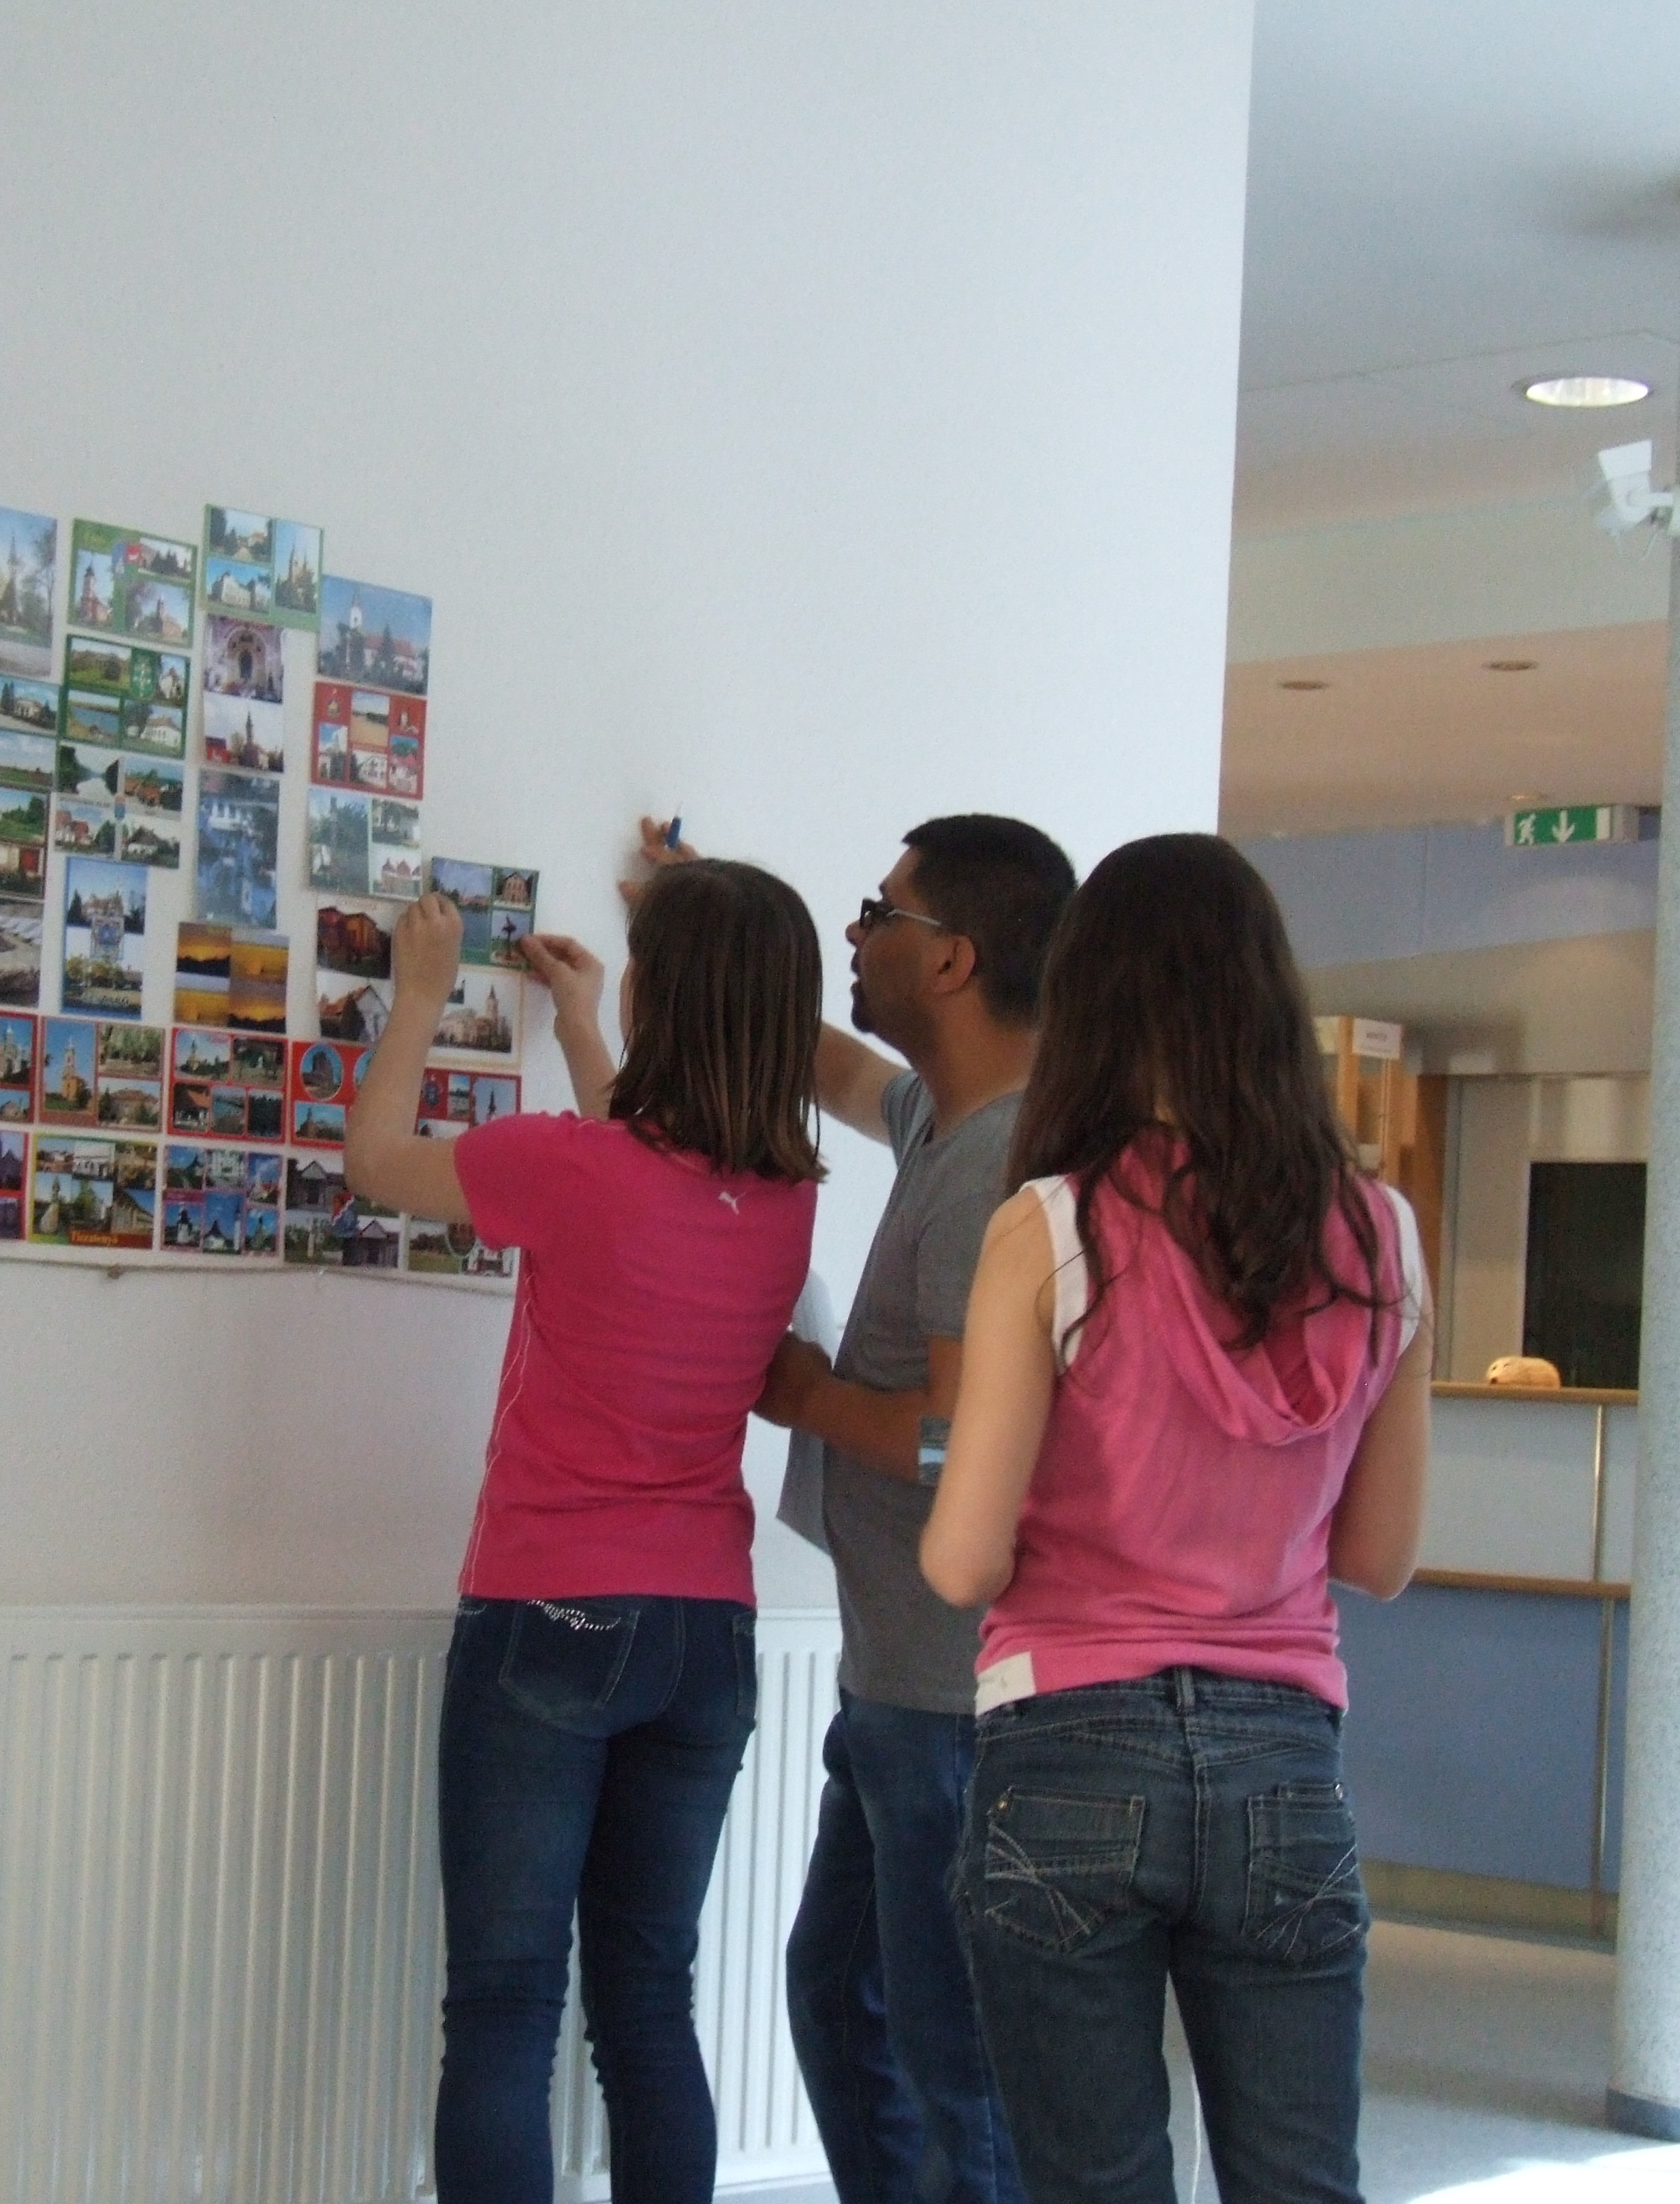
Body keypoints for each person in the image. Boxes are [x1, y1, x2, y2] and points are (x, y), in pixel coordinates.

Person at [920, 832, 1431, 2204]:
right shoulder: (1382, 1236)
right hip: (1284, 1763)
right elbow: (1380, 1556)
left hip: (1067, 1745)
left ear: (1089, 999)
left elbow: (963, 1560)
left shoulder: (1054, 1225)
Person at [347, 866, 828, 2204]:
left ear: (665, 997)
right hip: (706, 1639)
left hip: (551, 1617)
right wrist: (575, 1023)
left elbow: (376, 1162)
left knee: (505, 2006)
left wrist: (421, 998)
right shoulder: (783, 1204)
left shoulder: (565, 1167)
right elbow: (654, 1168)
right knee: (649, 2004)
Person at [638, 812, 1069, 2204]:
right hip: (903, 1692)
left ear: (952, 959)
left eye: (879, 914)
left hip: (954, 1710)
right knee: (840, 1997)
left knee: (958, 2077)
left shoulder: (994, 1167)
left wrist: (807, 1393)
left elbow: (956, 1442)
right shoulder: (944, 1118)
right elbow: (829, 1065)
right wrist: (696, 909)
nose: (856, 934)